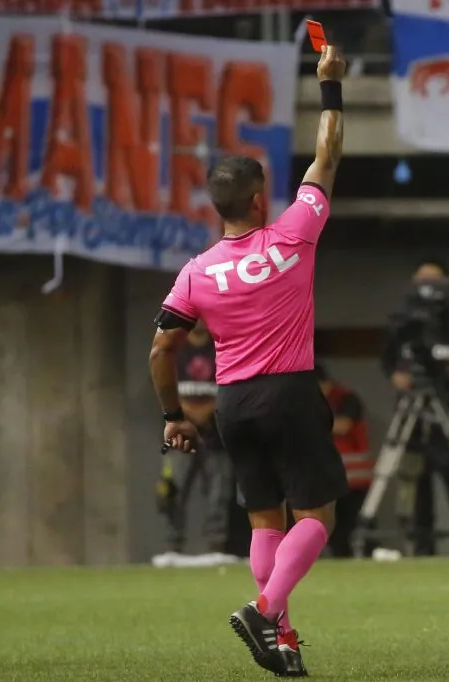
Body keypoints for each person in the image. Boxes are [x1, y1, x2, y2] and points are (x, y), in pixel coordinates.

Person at [147, 46, 348, 678]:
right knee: (317, 515)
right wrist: (330, 88)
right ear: (261, 199)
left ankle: (283, 640)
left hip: (233, 405)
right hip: (288, 392)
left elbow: (161, 348)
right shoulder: (294, 233)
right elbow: (328, 154)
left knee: (265, 519)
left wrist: (174, 415)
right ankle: (265, 610)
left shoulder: (196, 272)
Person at [381, 258, 449, 556]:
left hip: (447, 405)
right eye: (422, 280)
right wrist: (396, 375)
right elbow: (387, 357)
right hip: (411, 411)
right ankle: (421, 543)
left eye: (434, 280)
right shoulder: (402, 321)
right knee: (416, 476)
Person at [154, 321, 234, 563]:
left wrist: (206, 410)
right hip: (180, 433)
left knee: (219, 492)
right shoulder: (173, 348)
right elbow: (160, 381)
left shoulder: (223, 347)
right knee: (173, 490)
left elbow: (233, 383)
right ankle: (173, 547)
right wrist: (186, 410)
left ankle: (215, 547)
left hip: (216, 434)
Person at [313, 364, 375, 558]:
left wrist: (307, 421)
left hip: (355, 478)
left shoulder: (346, 397)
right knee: (335, 531)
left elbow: (343, 425)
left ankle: (367, 555)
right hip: (326, 480)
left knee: (357, 526)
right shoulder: (309, 402)